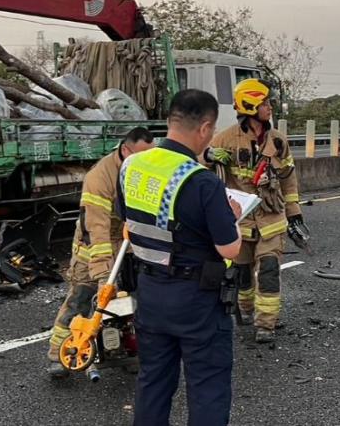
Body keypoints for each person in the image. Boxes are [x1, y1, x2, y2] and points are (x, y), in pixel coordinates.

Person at [117, 89, 242, 426]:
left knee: (153, 382)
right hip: (197, 298)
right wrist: (231, 216)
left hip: (150, 292)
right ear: (204, 128)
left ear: (171, 121)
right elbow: (229, 248)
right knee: (207, 386)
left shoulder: (131, 165)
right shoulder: (202, 181)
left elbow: (128, 218)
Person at [47, 127, 155, 378]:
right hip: (94, 246)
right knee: (82, 299)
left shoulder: (142, 168)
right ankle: (57, 354)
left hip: (127, 244)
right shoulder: (100, 177)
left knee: (129, 301)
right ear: (126, 149)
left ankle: (127, 351)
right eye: (141, 155)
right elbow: (97, 228)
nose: (147, 161)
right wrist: (103, 272)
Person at [207, 78, 302, 343]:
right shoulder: (224, 139)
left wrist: (294, 212)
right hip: (240, 221)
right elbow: (197, 166)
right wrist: (209, 157)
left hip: (271, 218)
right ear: (250, 106)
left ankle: (266, 325)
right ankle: (246, 309)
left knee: (269, 269)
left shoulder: (278, 141)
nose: (270, 107)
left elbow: (289, 178)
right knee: (242, 273)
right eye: (265, 103)